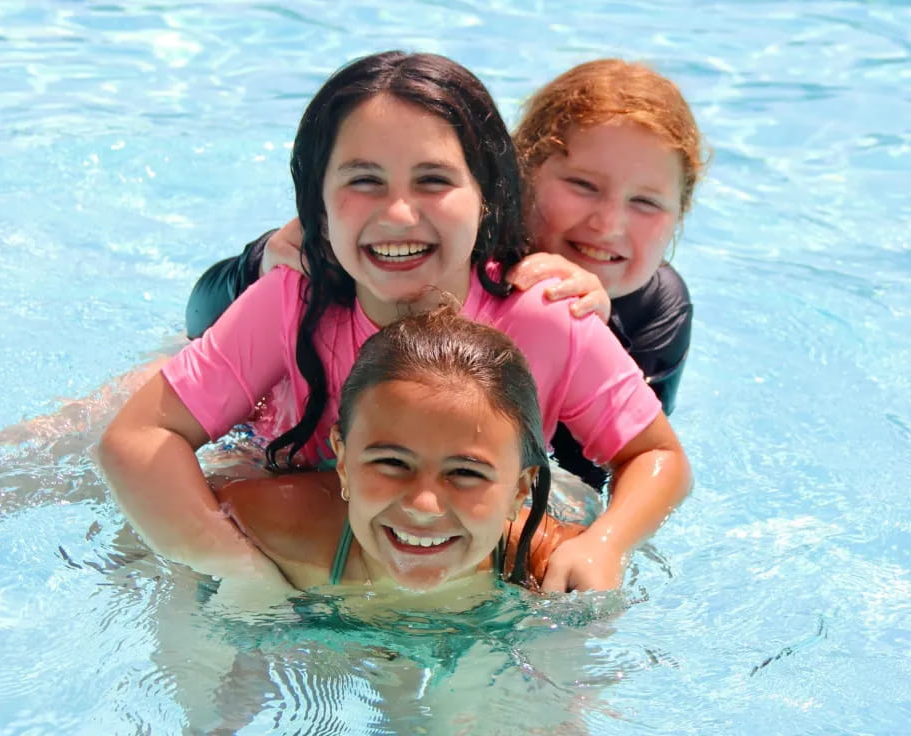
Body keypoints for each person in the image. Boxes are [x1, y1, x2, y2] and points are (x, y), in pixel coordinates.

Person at [98, 50, 692, 594]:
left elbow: (656, 455)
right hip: (280, 479)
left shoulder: (546, 317)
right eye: (364, 181)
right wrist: (241, 572)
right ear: (319, 204)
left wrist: (606, 542)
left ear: (487, 195)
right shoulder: (293, 300)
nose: (400, 214)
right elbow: (135, 438)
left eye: (434, 181)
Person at [185, 58, 706, 488]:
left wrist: (595, 331)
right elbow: (206, 317)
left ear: (679, 215)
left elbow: (614, 466)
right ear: (515, 177)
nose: (608, 224)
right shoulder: (402, 244)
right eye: (582, 186)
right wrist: (262, 259)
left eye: (646, 202)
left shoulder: (647, 308)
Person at [211, 307, 585, 598]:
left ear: (520, 489)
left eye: (465, 472)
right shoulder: (269, 529)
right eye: (392, 463)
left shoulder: (545, 561)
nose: (423, 505)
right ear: (343, 461)